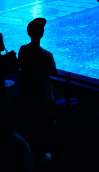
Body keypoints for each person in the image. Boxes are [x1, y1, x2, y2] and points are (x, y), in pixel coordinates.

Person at [18, 17, 57, 163]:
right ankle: (40, 154)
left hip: (27, 93)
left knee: (31, 122)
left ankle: (30, 149)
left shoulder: (23, 50)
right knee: (43, 125)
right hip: (43, 95)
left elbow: (21, 65)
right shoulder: (46, 55)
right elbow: (53, 72)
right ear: (41, 33)